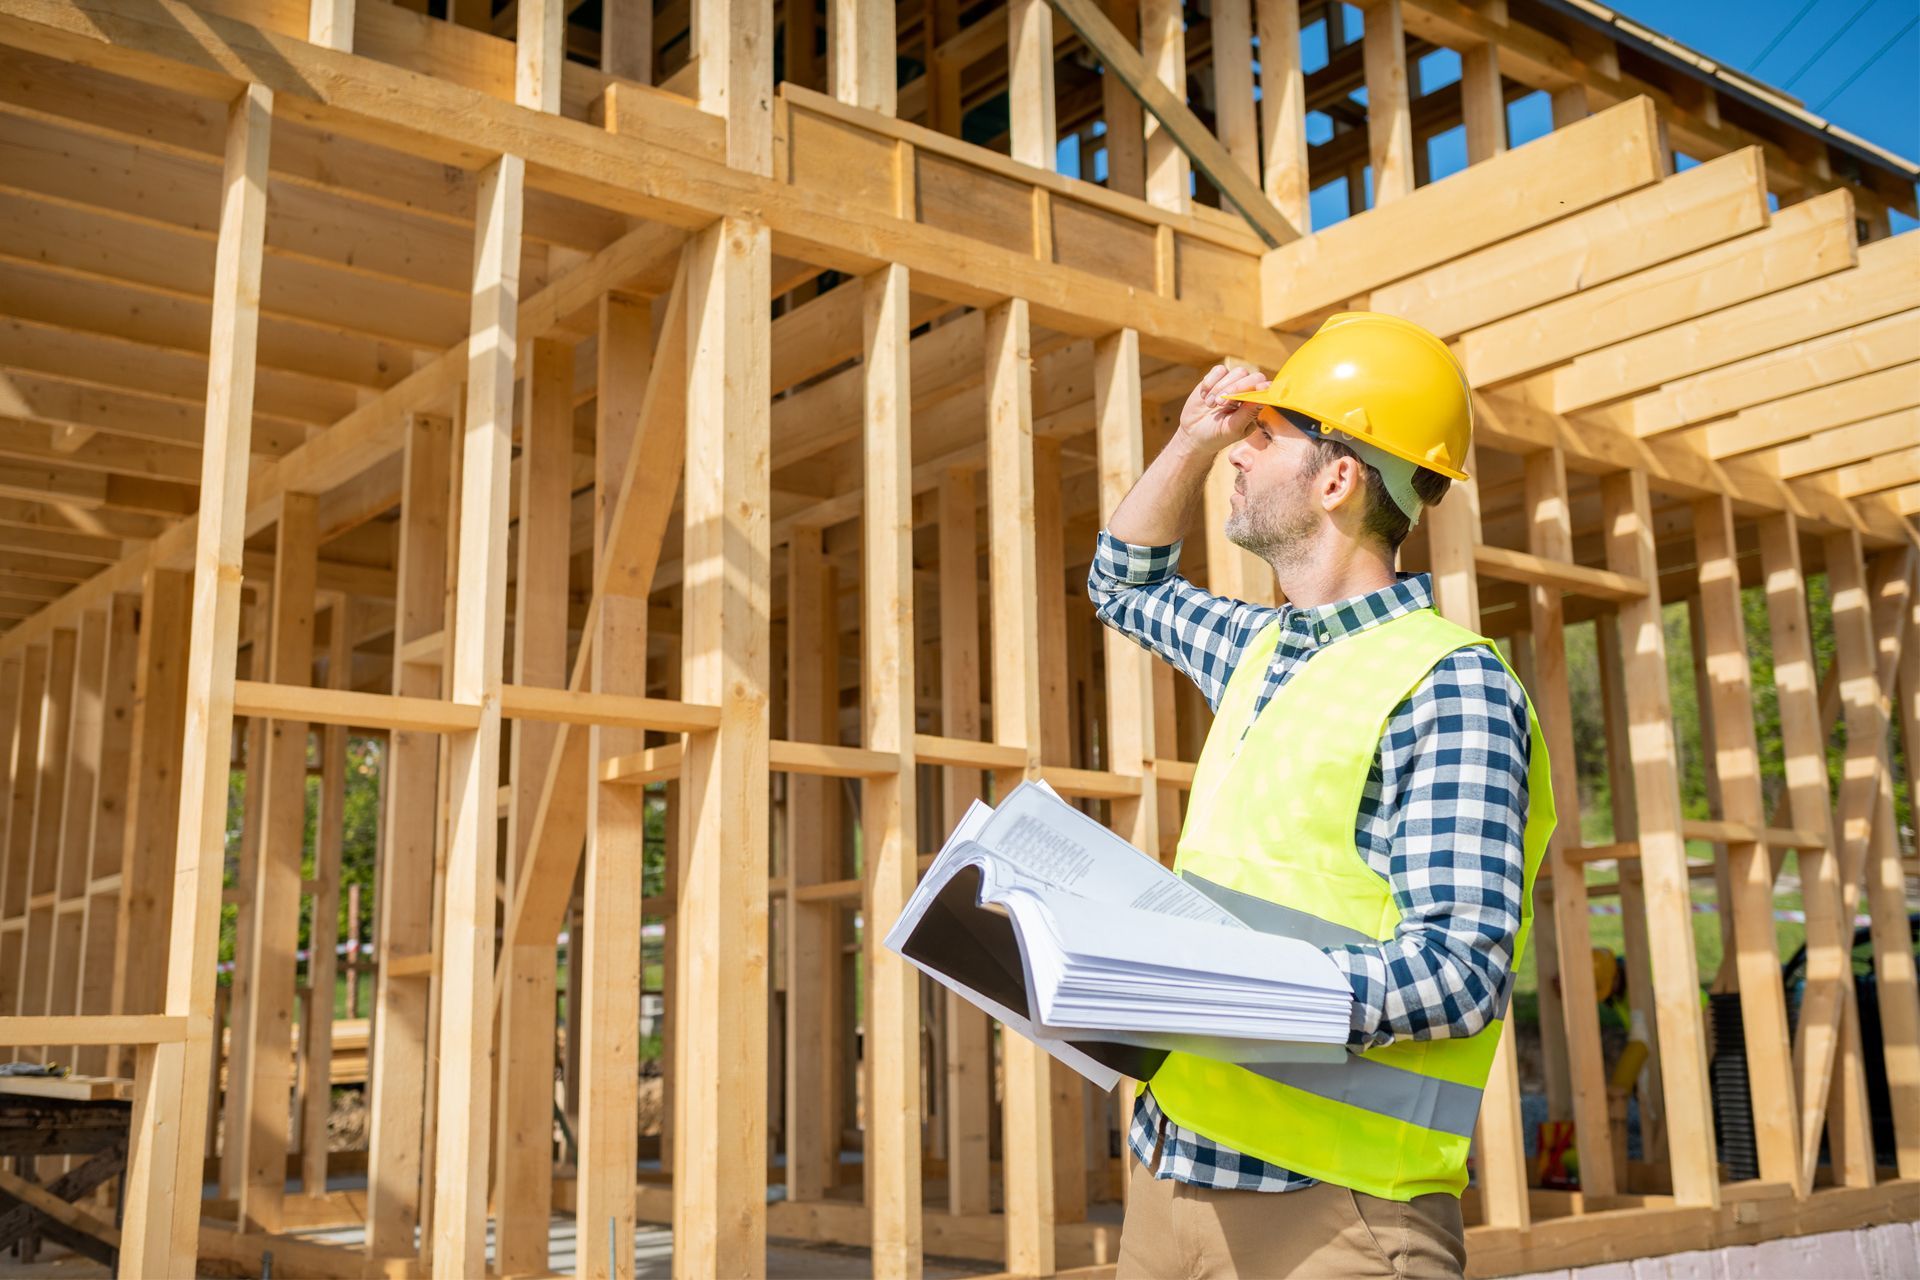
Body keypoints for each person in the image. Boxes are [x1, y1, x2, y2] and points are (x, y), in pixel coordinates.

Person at [1090, 312, 1556, 1279]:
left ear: (1337, 478)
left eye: (1265, 438)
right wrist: (1191, 438)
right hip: (1171, 1169)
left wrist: (1225, 989)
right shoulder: (1262, 650)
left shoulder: (1448, 682)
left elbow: (1461, 971)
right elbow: (1122, 582)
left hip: (1336, 1216)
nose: (1240, 453)